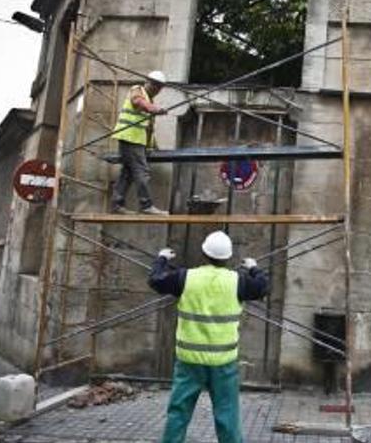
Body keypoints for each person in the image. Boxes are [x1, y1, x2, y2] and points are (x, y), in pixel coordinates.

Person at [150, 231, 269, 443]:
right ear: (228, 257)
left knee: (178, 413)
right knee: (227, 415)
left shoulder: (186, 277)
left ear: (204, 253)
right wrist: (253, 267)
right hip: (223, 362)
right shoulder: (237, 281)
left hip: (189, 361)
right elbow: (262, 287)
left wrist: (162, 259)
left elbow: (156, 280)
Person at [112, 70, 170, 215]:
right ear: (148, 82)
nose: (156, 90)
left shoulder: (150, 101)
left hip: (134, 140)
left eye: (159, 88)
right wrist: (154, 109)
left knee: (128, 173)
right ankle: (146, 205)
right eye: (155, 86)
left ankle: (117, 205)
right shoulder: (137, 90)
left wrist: (153, 147)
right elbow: (138, 102)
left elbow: (148, 130)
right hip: (130, 138)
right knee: (141, 171)